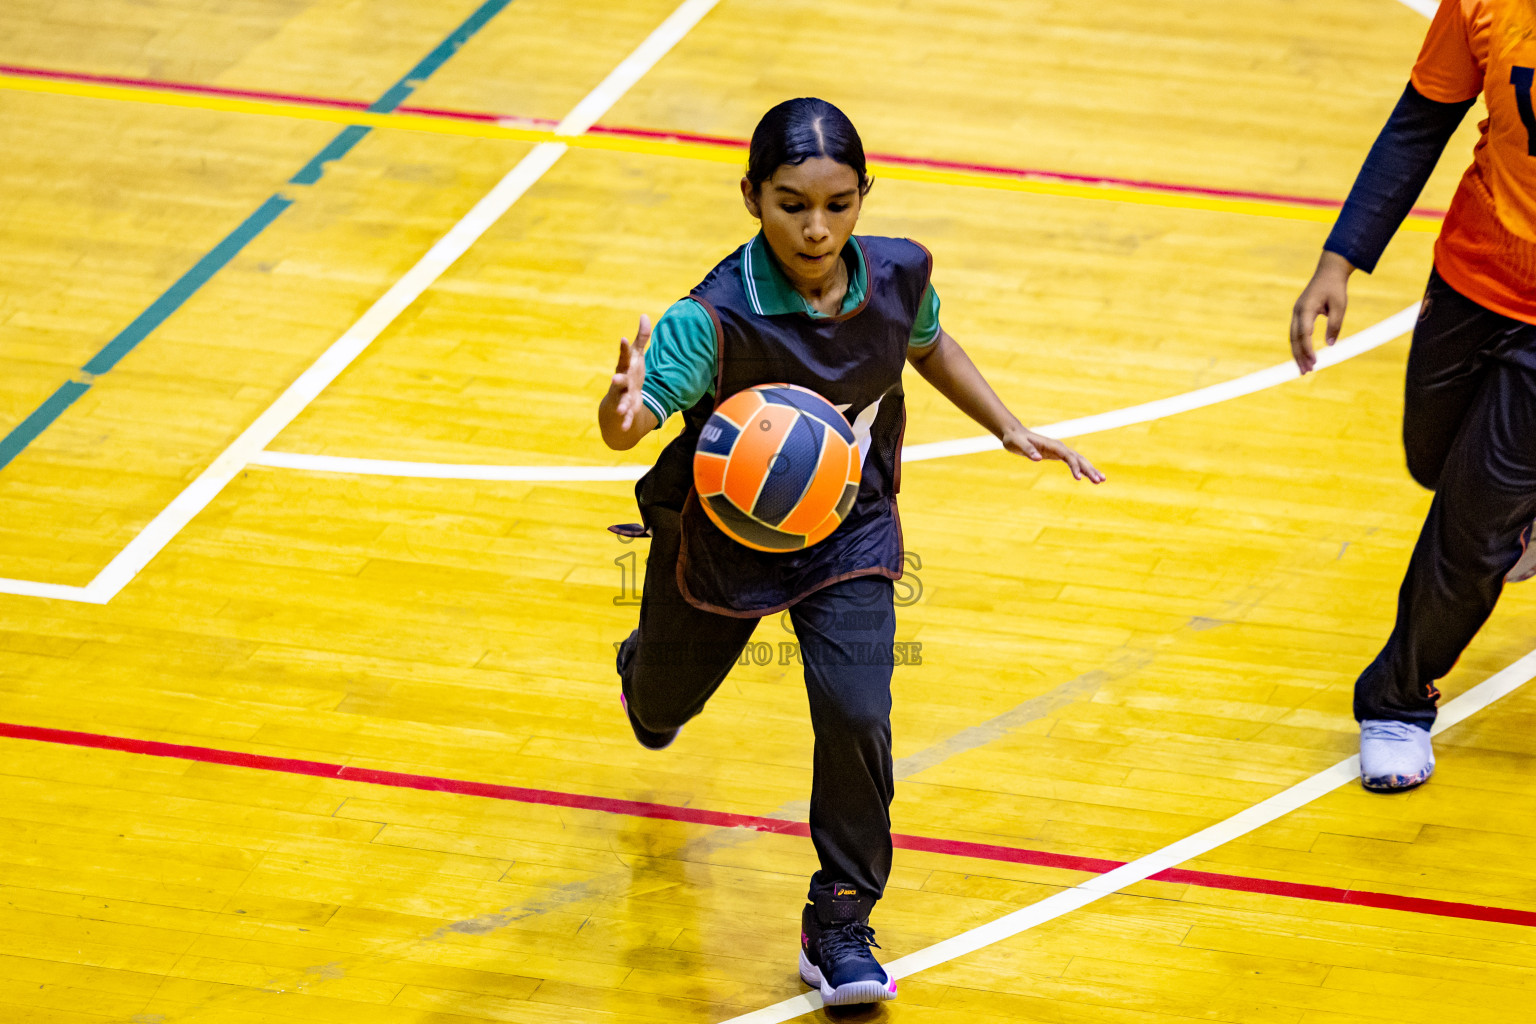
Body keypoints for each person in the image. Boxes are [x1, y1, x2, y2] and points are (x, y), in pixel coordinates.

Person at [597, 97, 1103, 1005]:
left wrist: (1009, 426)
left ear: (865, 194)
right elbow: (630, 427)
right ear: (751, 197)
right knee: (660, 709)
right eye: (792, 204)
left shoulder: (901, 275)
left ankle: (839, 916)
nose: (818, 227)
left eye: (839, 203)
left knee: (859, 709)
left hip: (850, 527)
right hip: (723, 541)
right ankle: (646, 672)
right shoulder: (708, 317)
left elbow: (929, 344)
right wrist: (620, 405)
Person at [1289, 0, 1536, 793]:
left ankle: (1396, 703)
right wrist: (1340, 260)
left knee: (1473, 525)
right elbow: (1421, 119)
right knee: (1432, 458)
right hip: (1472, 277)